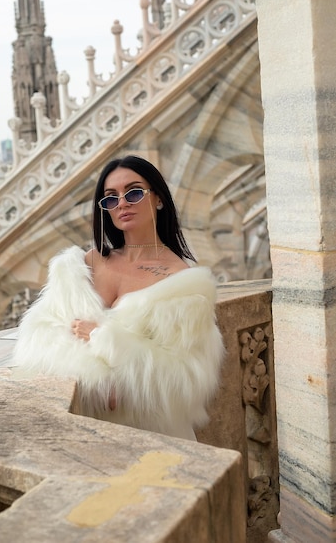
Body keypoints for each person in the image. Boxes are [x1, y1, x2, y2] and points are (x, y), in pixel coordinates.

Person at [13, 155, 224, 441]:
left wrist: (105, 339)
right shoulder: (82, 266)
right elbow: (37, 338)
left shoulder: (183, 283)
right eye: (110, 198)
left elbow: (186, 380)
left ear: (159, 199)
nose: (122, 203)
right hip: (84, 433)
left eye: (134, 192)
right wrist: (100, 380)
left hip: (153, 435)